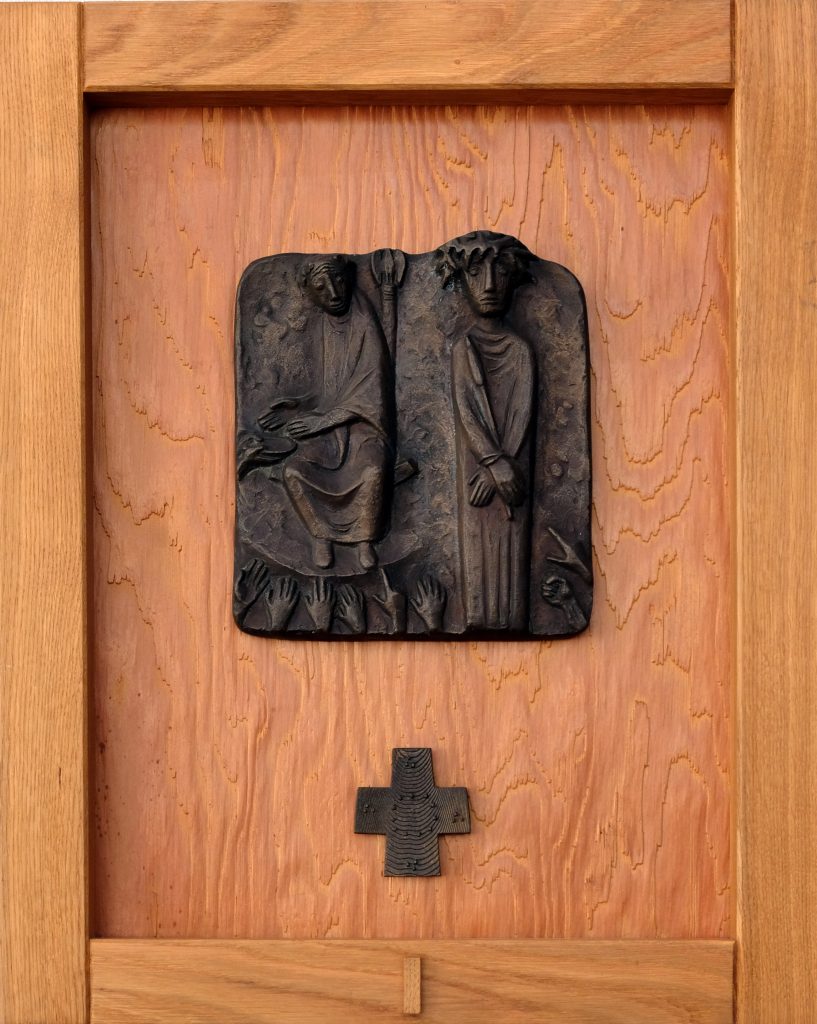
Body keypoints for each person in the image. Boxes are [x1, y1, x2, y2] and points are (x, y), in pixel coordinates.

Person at [260, 255, 394, 571]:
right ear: (310, 293)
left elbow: (370, 392)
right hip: (330, 433)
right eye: (321, 287)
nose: (333, 293)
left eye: (338, 281)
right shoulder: (323, 325)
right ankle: (322, 536)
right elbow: (331, 390)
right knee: (294, 471)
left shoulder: (363, 322)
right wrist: (298, 407)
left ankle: (364, 540)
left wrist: (322, 421)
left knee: (372, 471)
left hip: (363, 428)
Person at [437, 231, 536, 630]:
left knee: (511, 545)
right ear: (461, 281)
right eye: (477, 273)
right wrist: (493, 463)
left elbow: (522, 413)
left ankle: (512, 619)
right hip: (476, 471)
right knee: (478, 544)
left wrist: (503, 466)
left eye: (500, 274)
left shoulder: (520, 351)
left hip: (513, 473)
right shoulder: (463, 349)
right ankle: (480, 617)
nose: (490, 286)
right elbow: (468, 411)